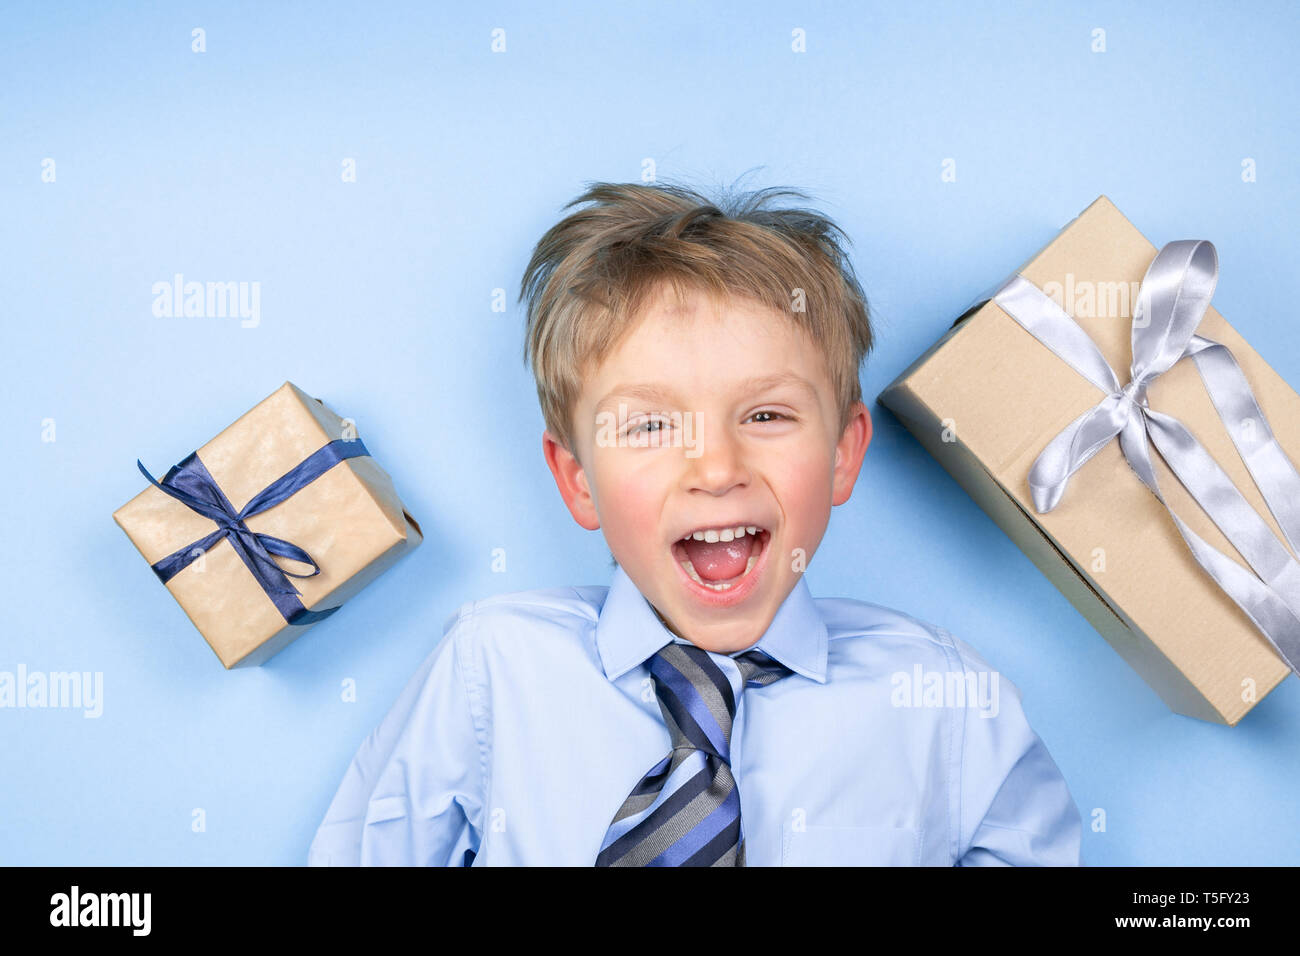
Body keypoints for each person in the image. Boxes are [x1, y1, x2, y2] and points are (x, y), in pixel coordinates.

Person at [307, 180, 1082, 866]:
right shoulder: (492, 670)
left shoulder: (945, 700)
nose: (715, 469)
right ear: (577, 481)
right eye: (647, 427)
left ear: (844, 456)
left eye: (767, 414)